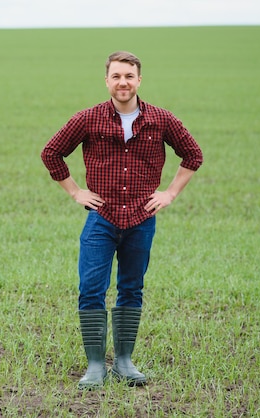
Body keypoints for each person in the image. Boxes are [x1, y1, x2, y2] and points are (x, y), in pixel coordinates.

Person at [41, 51, 203, 389]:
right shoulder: (88, 119)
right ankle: (96, 365)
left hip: (142, 220)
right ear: (107, 81)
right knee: (91, 290)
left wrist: (169, 194)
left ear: (139, 80)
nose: (123, 82)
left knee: (132, 288)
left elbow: (193, 154)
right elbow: (51, 152)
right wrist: (75, 192)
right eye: (116, 76)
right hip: (101, 218)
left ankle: (125, 361)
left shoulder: (161, 119)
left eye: (129, 76)